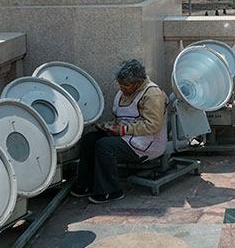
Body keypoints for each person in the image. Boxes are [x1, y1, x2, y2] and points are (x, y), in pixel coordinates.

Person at [71, 59, 167, 203]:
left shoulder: (152, 94)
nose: (122, 89)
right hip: (126, 136)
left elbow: (153, 125)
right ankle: (86, 184)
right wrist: (108, 126)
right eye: (120, 85)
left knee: (105, 146)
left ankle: (111, 190)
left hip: (146, 143)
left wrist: (123, 129)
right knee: (90, 139)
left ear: (139, 82)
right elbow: (120, 119)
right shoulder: (123, 93)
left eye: (126, 86)